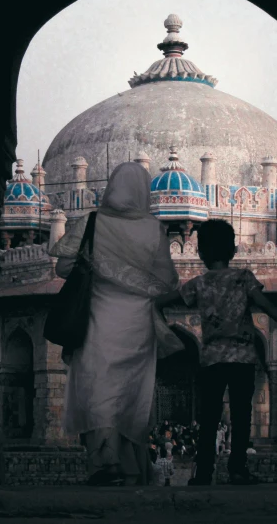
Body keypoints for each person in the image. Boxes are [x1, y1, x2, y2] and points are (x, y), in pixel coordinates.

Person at [51, 162, 184, 486]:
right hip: (137, 324)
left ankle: (104, 462)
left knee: (98, 391)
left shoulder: (91, 223)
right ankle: (134, 467)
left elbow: (63, 267)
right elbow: (168, 282)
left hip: (97, 320)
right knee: (131, 395)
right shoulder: (154, 229)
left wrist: (96, 265)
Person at [155, 219, 277, 486]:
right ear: (233, 251)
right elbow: (264, 303)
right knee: (242, 416)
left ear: (200, 254)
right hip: (242, 358)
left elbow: (162, 300)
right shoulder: (243, 278)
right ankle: (237, 469)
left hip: (211, 360)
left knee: (209, 418)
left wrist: (159, 323)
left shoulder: (199, 283)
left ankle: (204, 473)